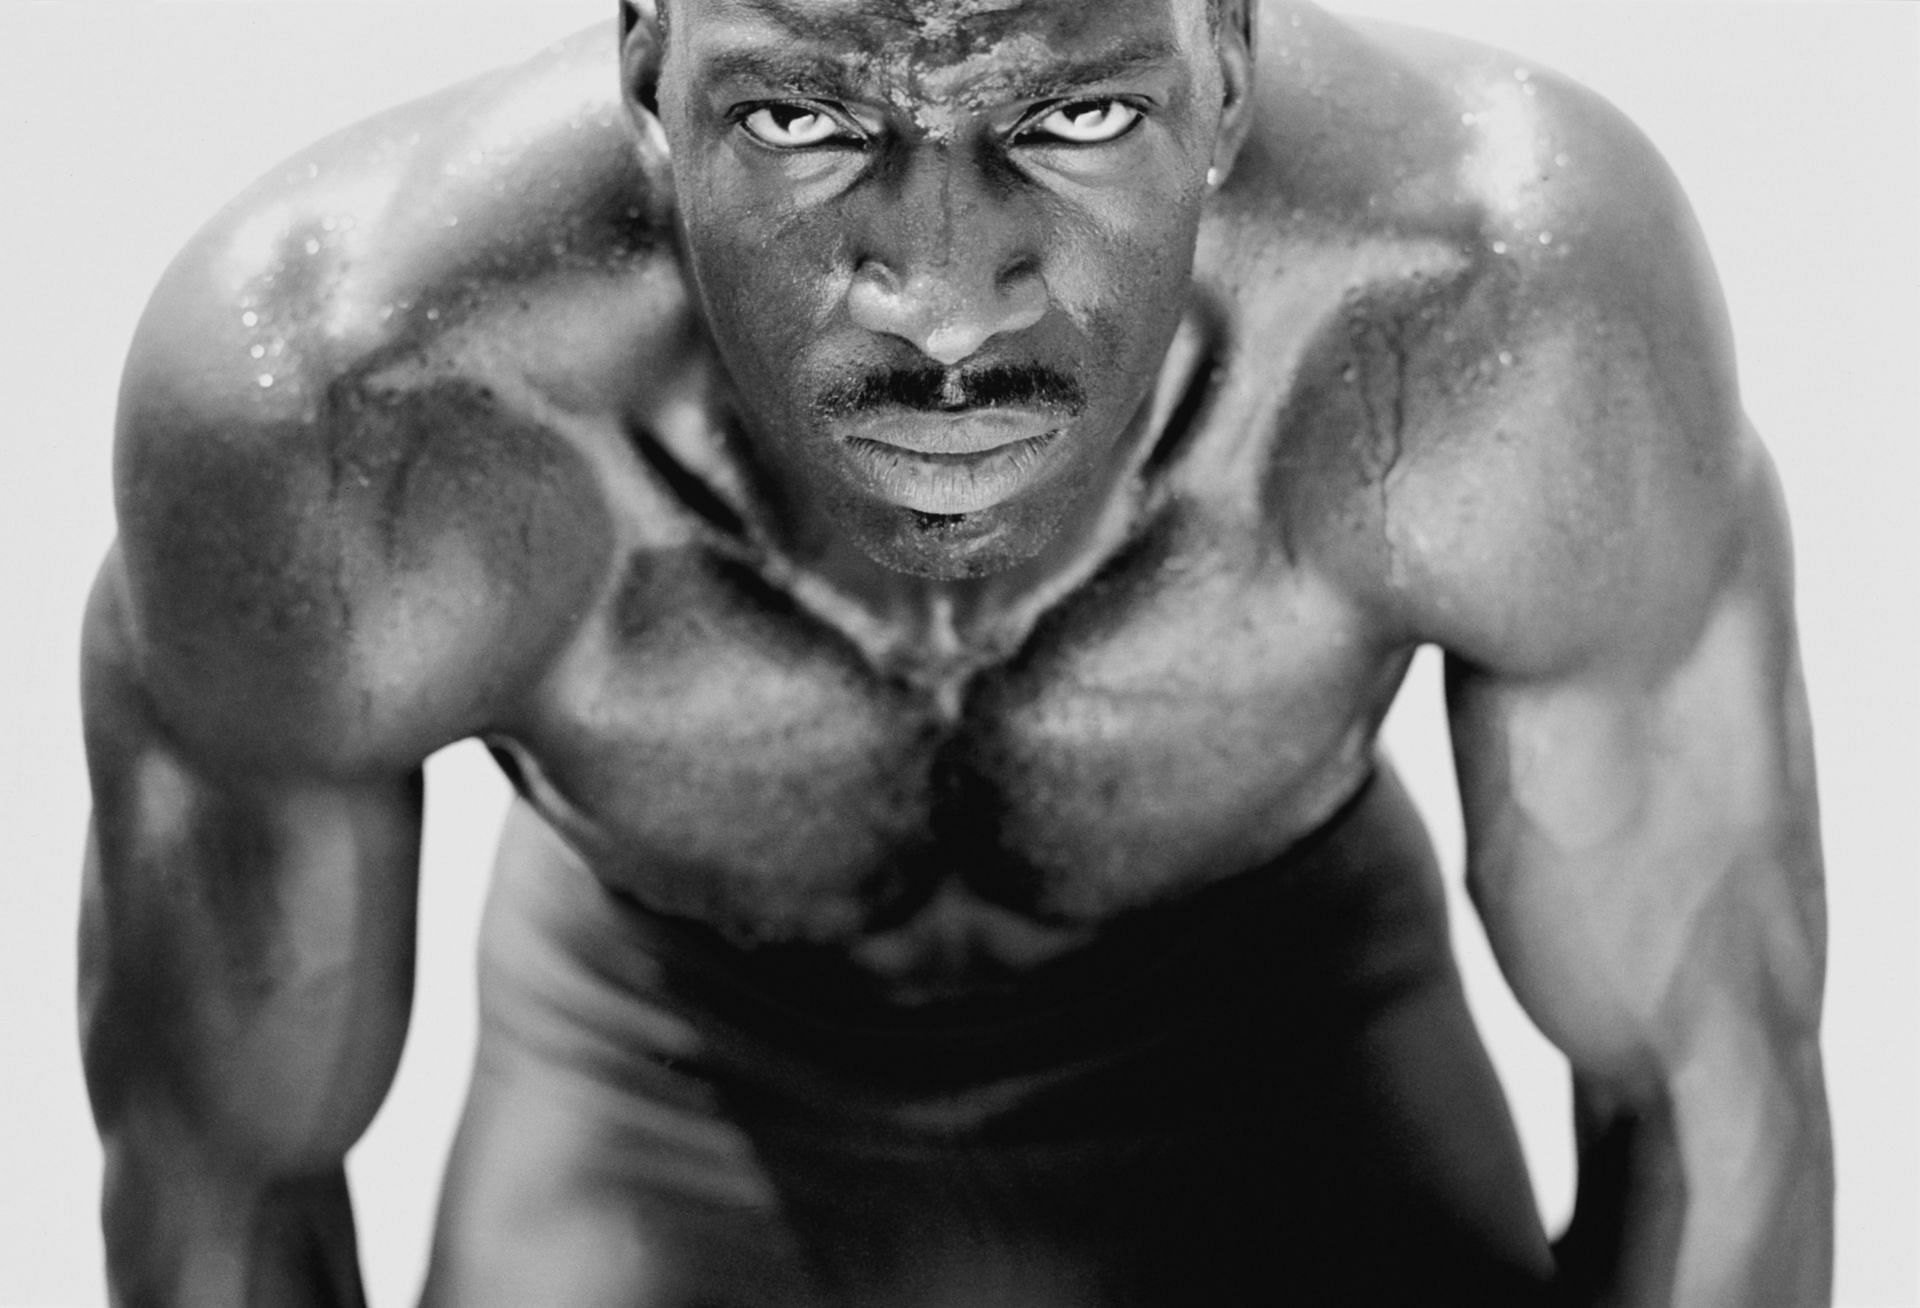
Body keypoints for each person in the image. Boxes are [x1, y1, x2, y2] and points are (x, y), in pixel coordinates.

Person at [77, 0, 1832, 1303]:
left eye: (1070, 119)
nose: (940, 301)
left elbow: (1708, 1093)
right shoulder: (349, 405)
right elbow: (224, 1177)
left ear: (1224, 62)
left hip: (1273, 1039)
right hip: (659, 1071)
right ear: (643, 67)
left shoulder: (1492, 311)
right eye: (799, 125)